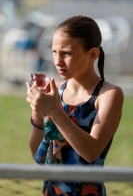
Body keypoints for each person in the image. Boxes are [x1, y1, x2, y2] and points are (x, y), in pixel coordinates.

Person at [26, 15, 124, 196]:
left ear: (93, 54)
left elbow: (91, 152)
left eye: (67, 53)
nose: (57, 60)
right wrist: (37, 111)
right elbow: (38, 155)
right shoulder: (54, 92)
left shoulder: (109, 94)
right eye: (54, 52)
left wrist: (54, 111)